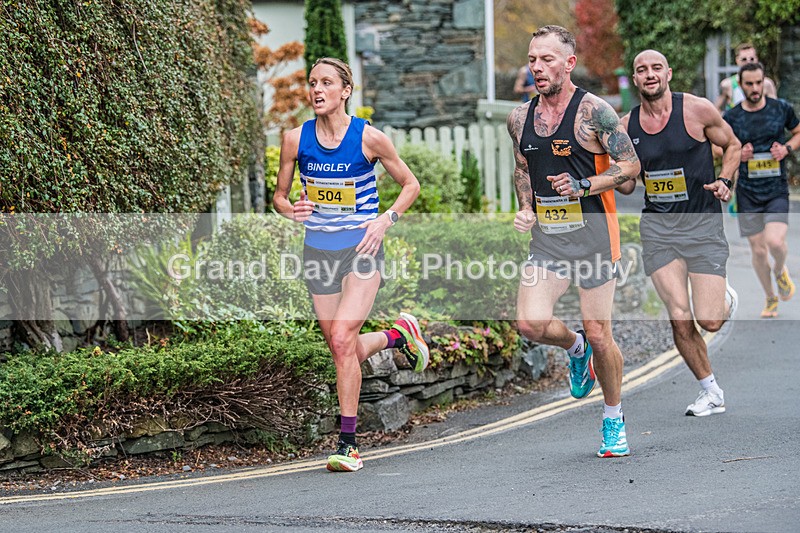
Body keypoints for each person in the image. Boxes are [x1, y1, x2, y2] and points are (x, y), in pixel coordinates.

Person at [273, 57, 429, 473]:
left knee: (343, 337)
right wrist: (293, 210)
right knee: (342, 347)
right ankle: (397, 336)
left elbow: (411, 185)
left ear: (345, 91)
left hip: (362, 249)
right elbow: (279, 198)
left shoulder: (370, 139)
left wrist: (385, 220)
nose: (316, 89)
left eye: (326, 82)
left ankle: (348, 444)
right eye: (312, 83)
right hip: (317, 251)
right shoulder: (294, 139)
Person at [506, 26, 641, 458]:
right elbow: (524, 169)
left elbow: (630, 165)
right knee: (529, 324)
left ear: (568, 63)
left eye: (547, 59)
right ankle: (574, 347)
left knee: (602, 332)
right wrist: (526, 207)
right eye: (532, 59)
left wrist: (584, 185)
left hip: (595, 238)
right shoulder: (519, 118)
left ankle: (613, 418)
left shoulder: (595, 112)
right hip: (548, 239)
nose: (538, 68)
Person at [618, 50, 741, 417]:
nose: (650, 75)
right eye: (642, 70)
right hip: (658, 230)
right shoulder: (626, 127)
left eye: (656, 68)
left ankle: (724, 299)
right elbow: (626, 186)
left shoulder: (697, 110)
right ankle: (711, 391)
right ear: (635, 79)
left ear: (668, 73)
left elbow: (732, 145)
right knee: (678, 315)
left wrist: (724, 180)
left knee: (710, 320)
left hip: (702, 226)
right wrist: (605, 171)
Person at [723, 62, 800, 318]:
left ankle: (780, 270)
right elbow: (718, 147)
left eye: (758, 83)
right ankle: (770, 298)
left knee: (775, 242)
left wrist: (787, 148)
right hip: (748, 192)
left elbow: (798, 132)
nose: (755, 89)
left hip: (775, 189)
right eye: (749, 84)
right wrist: (737, 153)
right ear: (741, 85)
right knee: (758, 250)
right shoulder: (732, 117)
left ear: (764, 82)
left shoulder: (781, 109)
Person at [716, 43, 777, 112]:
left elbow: (775, 109)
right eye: (744, 59)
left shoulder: (767, 83)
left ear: (756, 59)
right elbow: (717, 109)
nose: (748, 62)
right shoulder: (727, 84)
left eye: (752, 59)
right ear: (737, 60)